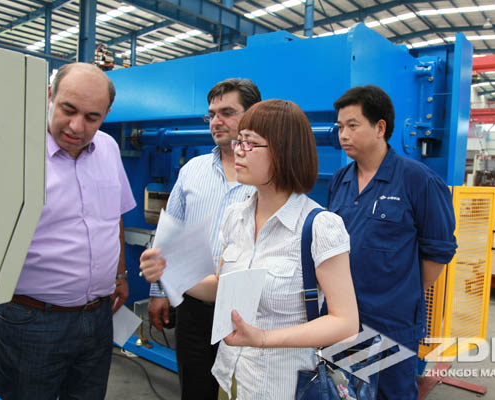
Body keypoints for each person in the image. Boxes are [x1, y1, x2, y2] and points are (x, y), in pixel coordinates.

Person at [140, 99, 359, 400]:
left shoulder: (319, 227)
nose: (238, 150)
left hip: (282, 387)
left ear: (284, 152)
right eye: (239, 140)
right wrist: (170, 271)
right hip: (230, 378)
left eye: (250, 143)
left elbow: (345, 322)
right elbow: (220, 287)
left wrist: (263, 338)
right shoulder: (236, 217)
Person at [0, 63, 136, 400]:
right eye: (68, 110)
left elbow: (114, 218)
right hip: (29, 320)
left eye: (92, 117)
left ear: (107, 114)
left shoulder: (108, 148)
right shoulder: (13, 147)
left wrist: (120, 275)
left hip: (98, 318)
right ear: (50, 94)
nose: (77, 127)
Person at [327, 85, 457, 400]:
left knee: (390, 394)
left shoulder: (419, 180)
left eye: (352, 125)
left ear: (380, 128)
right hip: (343, 319)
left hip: (391, 324)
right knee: (344, 393)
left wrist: (398, 293)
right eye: (340, 127)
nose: (343, 135)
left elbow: (437, 254)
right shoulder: (340, 180)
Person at [147, 78, 260, 399]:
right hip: (192, 308)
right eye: (211, 114)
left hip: (245, 310)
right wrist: (158, 292)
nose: (216, 121)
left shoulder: (267, 174)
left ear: (253, 116)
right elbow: (169, 233)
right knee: (195, 390)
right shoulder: (192, 171)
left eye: (227, 113)